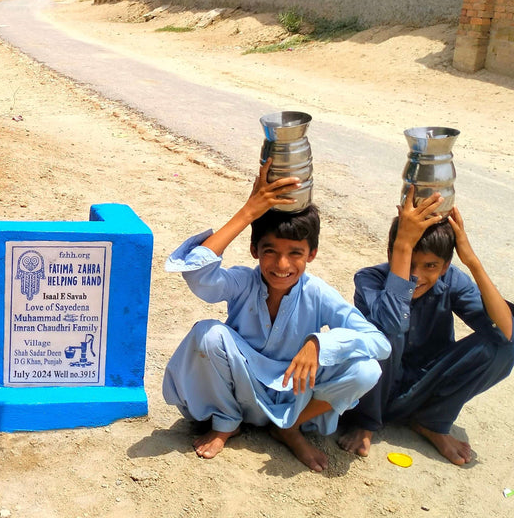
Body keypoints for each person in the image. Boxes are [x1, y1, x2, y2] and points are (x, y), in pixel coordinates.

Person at [162, 162, 390, 471]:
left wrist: (321, 344)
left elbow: (379, 342)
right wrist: (248, 212)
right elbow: (198, 274)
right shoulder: (243, 281)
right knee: (208, 334)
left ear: (312, 254)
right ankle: (227, 422)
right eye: (270, 251)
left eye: (295, 253)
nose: (282, 264)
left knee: (366, 370)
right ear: (255, 250)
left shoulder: (318, 293)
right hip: (242, 390)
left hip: (294, 395)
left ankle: (289, 428)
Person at [339, 190, 514, 465]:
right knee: (387, 326)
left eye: (431, 266)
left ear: (445, 267)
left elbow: (507, 331)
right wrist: (403, 247)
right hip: (373, 392)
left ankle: (430, 421)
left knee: (505, 345)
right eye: (410, 262)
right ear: (395, 253)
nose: (417, 276)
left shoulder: (451, 280)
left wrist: (472, 261)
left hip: (423, 388)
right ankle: (367, 422)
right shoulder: (369, 279)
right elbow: (392, 321)